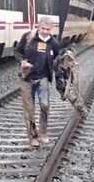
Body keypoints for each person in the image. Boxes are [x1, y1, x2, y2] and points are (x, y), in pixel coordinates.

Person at [15, 17, 61, 147]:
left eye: (48, 29)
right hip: (27, 78)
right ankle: (33, 137)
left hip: (43, 78)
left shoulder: (54, 43)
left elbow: (58, 58)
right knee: (29, 110)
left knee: (45, 106)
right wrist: (22, 62)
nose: (45, 32)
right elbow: (17, 52)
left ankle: (43, 133)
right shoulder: (28, 38)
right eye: (43, 29)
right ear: (38, 27)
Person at [54, 47, 87, 116]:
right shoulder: (65, 58)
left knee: (72, 94)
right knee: (71, 95)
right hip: (62, 81)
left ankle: (80, 110)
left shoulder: (65, 58)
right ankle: (80, 109)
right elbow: (63, 72)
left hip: (64, 80)